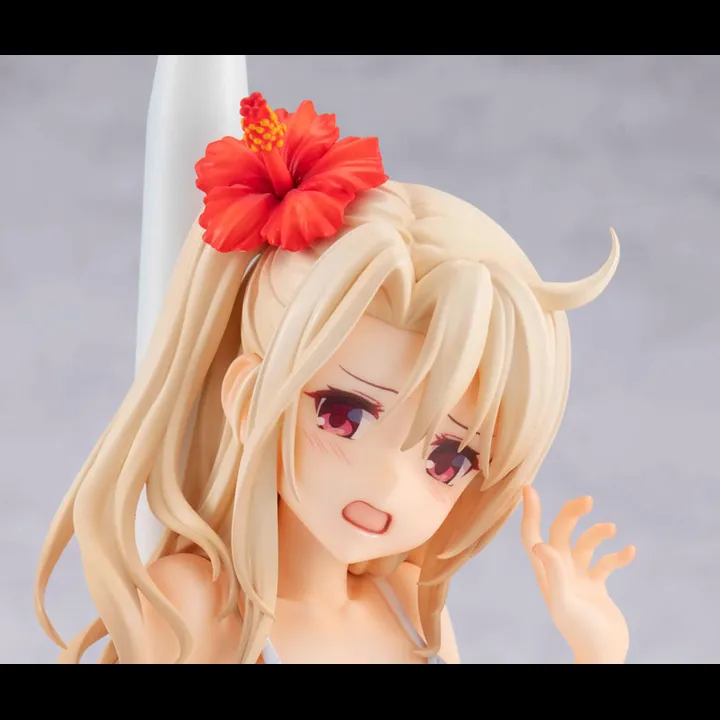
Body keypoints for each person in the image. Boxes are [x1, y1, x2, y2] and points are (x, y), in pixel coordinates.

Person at [35, 91, 635, 664]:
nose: (387, 482)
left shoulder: (410, 610)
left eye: (448, 459)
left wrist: (596, 651)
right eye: (343, 415)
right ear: (249, 399)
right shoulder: (192, 607)